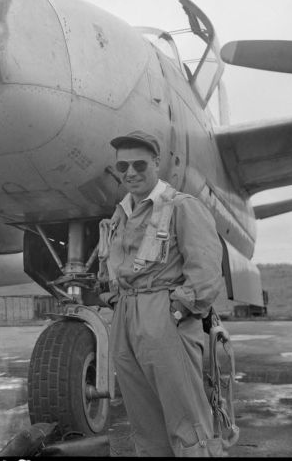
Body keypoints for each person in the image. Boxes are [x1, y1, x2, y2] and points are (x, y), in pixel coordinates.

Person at [99, 131, 224, 457]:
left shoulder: (182, 207)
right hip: (126, 319)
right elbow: (112, 265)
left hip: (165, 318)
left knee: (188, 424)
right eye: (122, 166)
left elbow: (206, 266)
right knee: (145, 426)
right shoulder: (120, 214)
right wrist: (114, 301)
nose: (130, 172)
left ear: (157, 163)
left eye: (139, 164)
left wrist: (180, 308)